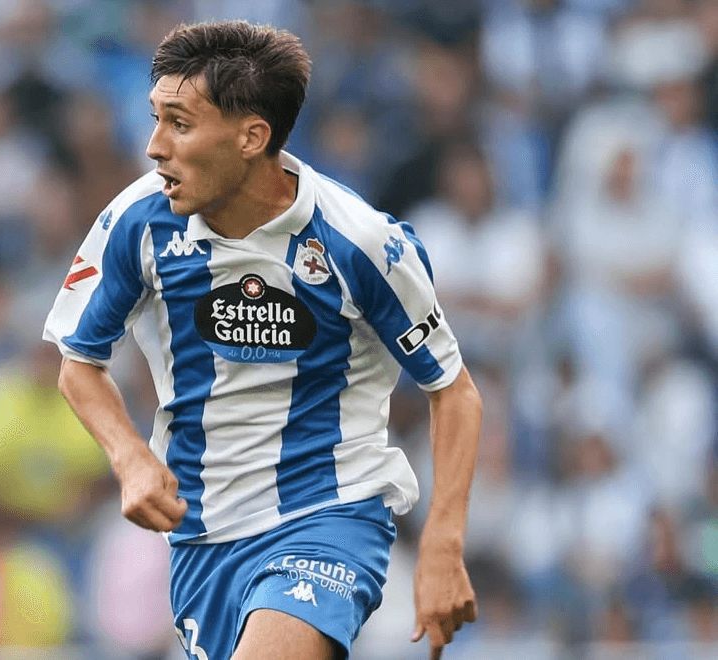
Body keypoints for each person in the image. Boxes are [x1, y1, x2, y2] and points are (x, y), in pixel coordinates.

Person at [43, 20, 482, 660]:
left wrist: (443, 545)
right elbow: (78, 361)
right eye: (156, 120)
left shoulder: (359, 242)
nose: (154, 147)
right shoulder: (138, 220)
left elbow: (453, 390)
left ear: (251, 137)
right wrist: (130, 457)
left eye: (179, 124)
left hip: (328, 515)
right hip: (203, 536)